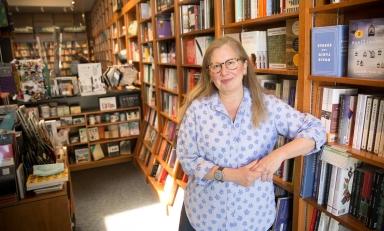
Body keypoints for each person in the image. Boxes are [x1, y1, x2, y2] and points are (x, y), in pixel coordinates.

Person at [176, 36, 326, 231]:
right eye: (216, 66)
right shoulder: (197, 109)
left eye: (231, 62)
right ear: (210, 73)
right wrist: (230, 175)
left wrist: (278, 155)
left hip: (253, 220)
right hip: (203, 218)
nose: (224, 71)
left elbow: (317, 130)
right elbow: (187, 158)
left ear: (245, 66)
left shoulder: (268, 105)